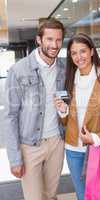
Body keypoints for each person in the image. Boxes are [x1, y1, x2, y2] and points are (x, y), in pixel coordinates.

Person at [54, 33, 100, 200]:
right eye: (74, 53)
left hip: (99, 149)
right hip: (73, 150)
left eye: (83, 51)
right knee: (82, 196)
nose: (79, 57)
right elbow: (66, 121)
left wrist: (96, 138)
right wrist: (63, 111)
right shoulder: (69, 80)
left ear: (92, 51)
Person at [5, 18, 66, 200]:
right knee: (34, 197)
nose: (54, 45)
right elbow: (10, 116)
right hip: (30, 146)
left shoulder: (64, 68)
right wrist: (15, 158)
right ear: (39, 40)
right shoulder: (18, 70)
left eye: (58, 40)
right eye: (49, 39)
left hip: (56, 142)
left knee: (51, 195)